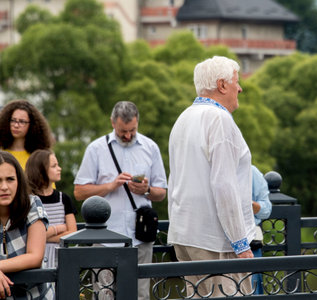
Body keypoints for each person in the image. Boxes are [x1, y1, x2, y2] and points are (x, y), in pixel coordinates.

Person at [167, 56, 255, 297]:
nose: (240, 88)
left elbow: (173, 181)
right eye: (236, 82)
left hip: (184, 234)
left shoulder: (183, 118)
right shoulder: (219, 119)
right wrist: (241, 243)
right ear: (222, 85)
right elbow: (224, 185)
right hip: (215, 240)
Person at [73, 101, 167, 300]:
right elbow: (79, 192)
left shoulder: (150, 147)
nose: (127, 135)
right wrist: (110, 186)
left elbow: (161, 193)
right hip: (103, 237)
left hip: (140, 237)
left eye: (132, 130)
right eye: (123, 131)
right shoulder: (96, 149)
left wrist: (146, 190)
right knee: (104, 295)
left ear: (137, 122)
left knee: (140, 295)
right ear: (112, 123)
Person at [0, 151, 54, 299]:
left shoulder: (32, 204)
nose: (4, 186)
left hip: (36, 296)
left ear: (19, 181)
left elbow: (35, 257)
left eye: (10, 179)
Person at [25, 149, 77, 268]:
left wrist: (42, 237)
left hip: (61, 260)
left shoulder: (63, 199)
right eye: (54, 166)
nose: (59, 169)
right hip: (35, 261)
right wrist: (58, 228)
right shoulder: (28, 201)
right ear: (41, 171)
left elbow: (72, 233)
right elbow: (26, 234)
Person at [0, 100, 53, 171]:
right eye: (13, 120)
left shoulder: (40, 157)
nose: (16, 125)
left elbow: (48, 181)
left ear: (32, 125)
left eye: (22, 122)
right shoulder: (1, 152)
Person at [250, 165, 272, 295]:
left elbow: (266, 209)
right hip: (217, 244)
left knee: (253, 292)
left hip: (250, 244)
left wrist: (250, 205)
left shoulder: (251, 171)